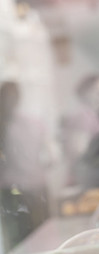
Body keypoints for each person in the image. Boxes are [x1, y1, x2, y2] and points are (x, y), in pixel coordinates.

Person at [0, 81, 50, 251]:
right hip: (21, 190)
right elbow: (47, 157)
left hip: (22, 189)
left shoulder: (25, 122)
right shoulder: (26, 123)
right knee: (30, 238)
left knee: (27, 239)